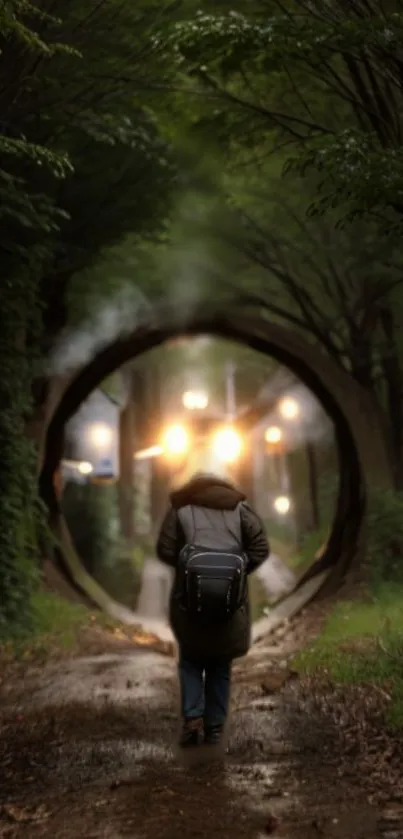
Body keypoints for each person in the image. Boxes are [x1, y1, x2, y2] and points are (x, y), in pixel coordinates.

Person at [156, 466, 269, 749]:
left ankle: (193, 719)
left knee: (191, 659)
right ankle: (215, 727)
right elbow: (260, 548)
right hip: (231, 603)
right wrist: (238, 572)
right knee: (220, 663)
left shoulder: (180, 510)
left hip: (189, 601)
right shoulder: (240, 509)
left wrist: (187, 570)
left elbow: (165, 549)